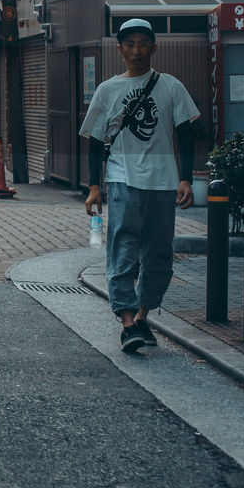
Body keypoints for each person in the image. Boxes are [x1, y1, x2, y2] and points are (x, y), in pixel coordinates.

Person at [80, 18, 200, 353]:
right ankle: (127, 322)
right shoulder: (107, 90)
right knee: (123, 250)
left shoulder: (171, 86)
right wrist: (94, 186)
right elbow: (95, 141)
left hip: (163, 184)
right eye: (129, 44)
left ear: (154, 48)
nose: (136, 51)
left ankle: (144, 316)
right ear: (119, 50)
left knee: (159, 254)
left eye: (143, 44)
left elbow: (187, 134)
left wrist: (186, 178)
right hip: (122, 180)